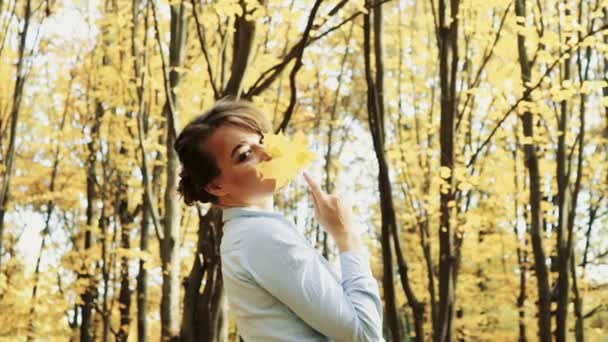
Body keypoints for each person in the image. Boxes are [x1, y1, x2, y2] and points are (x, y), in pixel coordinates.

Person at [174, 97, 384, 341]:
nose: (267, 153)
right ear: (216, 186)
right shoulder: (259, 236)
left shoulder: (248, 234)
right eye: (245, 154)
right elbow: (366, 334)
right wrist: (347, 237)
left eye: (262, 140)